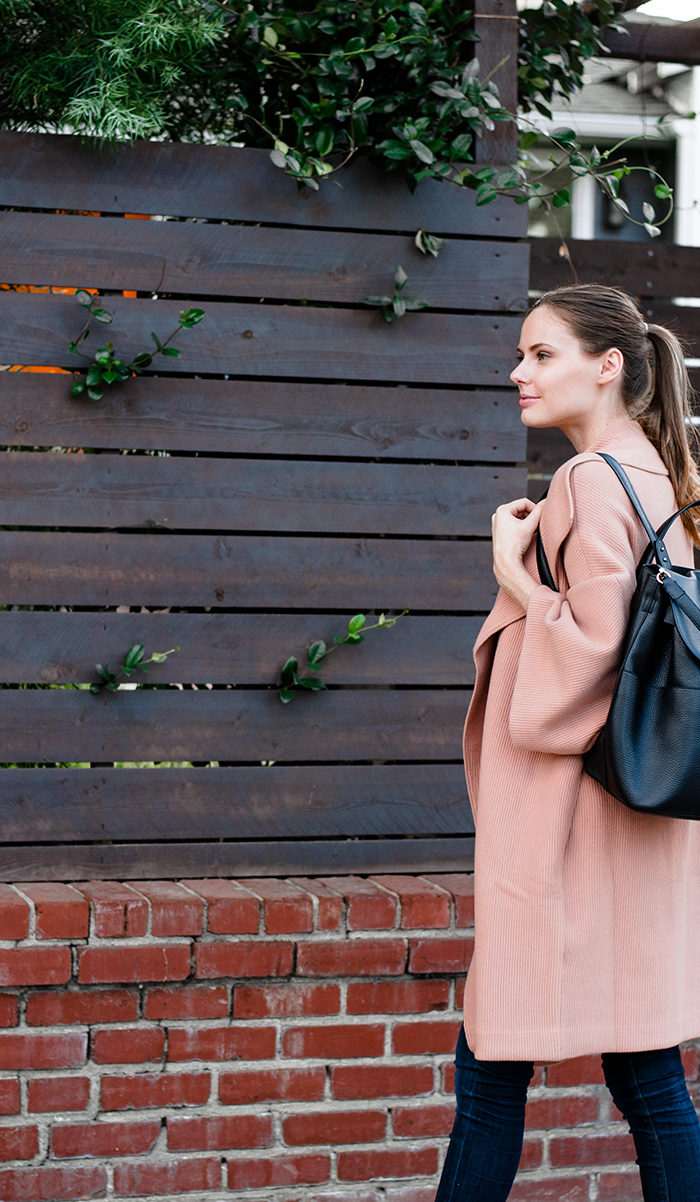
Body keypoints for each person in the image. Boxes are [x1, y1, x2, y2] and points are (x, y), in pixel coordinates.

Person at [434, 284, 700, 1202]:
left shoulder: (586, 480)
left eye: (543, 354)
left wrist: (509, 569)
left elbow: (588, 650)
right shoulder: (666, 475)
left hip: (565, 827)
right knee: (649, 1076)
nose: (520, 371)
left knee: (491, 1067)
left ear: (609, 364)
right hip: (640, 817)